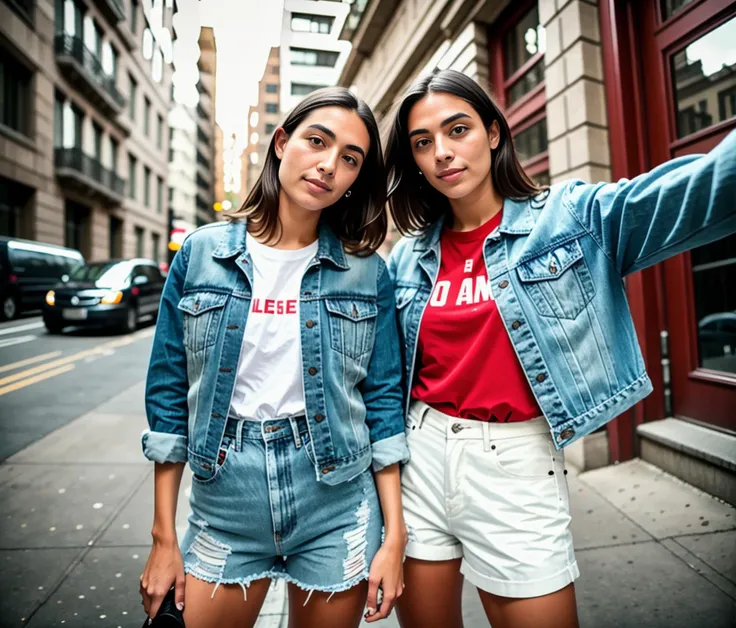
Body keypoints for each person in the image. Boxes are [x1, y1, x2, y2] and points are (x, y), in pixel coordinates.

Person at [383, 69, 736, 628]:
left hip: (514, 463)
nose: (442, 153)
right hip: (419, 459)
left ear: (494, 132)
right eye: (423, 143)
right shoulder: (407, 258)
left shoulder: (569, 218)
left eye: (458, 130)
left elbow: (702, 189)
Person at [140, 87, 409, 628]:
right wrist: (164, 536)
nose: (329, 165)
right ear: (282, 143)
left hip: (336, 499)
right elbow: (169, 395)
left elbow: (381, 404)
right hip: (225, 500)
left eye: (350, 158)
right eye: (317, 141)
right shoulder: (202, 254)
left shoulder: (366, 272)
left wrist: (395, 536)